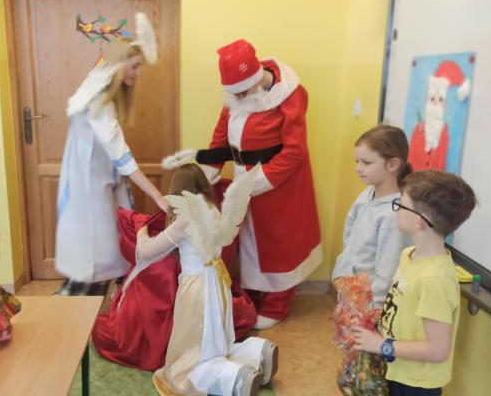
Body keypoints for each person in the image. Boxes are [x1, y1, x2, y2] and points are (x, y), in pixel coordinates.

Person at [198, 39, 322, 329]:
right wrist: (206, 175)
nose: (238, 98)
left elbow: (294, 150)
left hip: (279, 184)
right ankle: (254, 293)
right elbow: (220, 137)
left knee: (279, 241)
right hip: (244, 178)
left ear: (255, 79)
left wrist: (259, 182)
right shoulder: (236, 96)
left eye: (242, 92)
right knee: (250, 239)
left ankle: (278, 304)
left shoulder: (290, 94)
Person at [129, 163, 277, 395]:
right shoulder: (211, 208)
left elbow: (147, 251)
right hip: (218, 281)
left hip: (196, 287)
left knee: (194, 348)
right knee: (217, 340)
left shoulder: (185, 219)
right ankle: (258, 354)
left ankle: (234, 378)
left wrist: (141, 231)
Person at [55, 13, 169, 295]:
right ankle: (81, 308)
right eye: (135, 66)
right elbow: (123, 158)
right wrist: (157, 196)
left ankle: (86, 300)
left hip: (94, 185)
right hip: (89, 191)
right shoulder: (99, 106)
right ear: (119, 66)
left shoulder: (95, 91)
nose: (138, 73)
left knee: (98, 255)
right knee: (96, 257)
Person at [353, 170, 477, 396]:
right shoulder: (409, 254)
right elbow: (404, 304)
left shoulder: (434, 280)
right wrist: (380, 317)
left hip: (417, 383)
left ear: (419, 221)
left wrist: (382, 345)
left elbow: (438, 350)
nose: (396, 209)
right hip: (397, 368)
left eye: (400, 204)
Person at [332, 125, 412, 307]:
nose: (358, 168)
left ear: (392, 165)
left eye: (366, 163)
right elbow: (349, 239)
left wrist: (370, 308)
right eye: (357, 161)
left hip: (369, 306)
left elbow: (388, 272)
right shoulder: (367, 194)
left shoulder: (393, 214)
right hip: (351, 293)